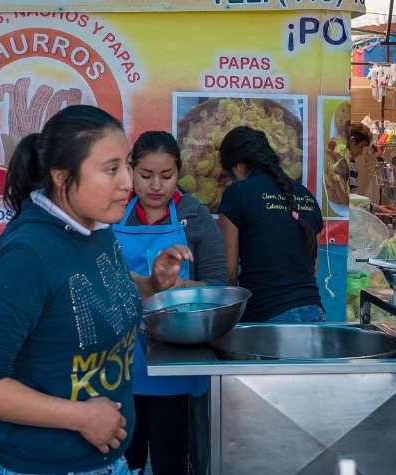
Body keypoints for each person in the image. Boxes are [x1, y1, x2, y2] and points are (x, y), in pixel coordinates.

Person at [0, 105, 191, 475]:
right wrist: (80, 416)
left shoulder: (96, 228)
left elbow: (92, 291)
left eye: (127, 165)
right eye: (111, 169)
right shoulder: (27, 254)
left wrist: (151, 284)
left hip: (105, 461)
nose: (128, 182)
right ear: (62, 176)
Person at [115, 131, 228, 475]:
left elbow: (219, 286)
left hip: (176, 357)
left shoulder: (194, 215)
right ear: (130, 170)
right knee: (125, 458)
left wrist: (178, 286)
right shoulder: (114, 212)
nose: (155, 186)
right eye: (145, 176)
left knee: (171, 459)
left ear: (179, 173)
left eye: (167, 176)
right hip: (120, 357)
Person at [217, 127, 325, 323]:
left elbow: (229, 275)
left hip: (265, 318)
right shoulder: (307, 196)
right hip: (315, 314)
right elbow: (312, 269)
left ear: (239, 166)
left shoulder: (236, 194)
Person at [348, 122, 372, 195]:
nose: (361, 153)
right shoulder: (350, 162)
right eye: (361, 146)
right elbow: (353, 196)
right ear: (352, 142)